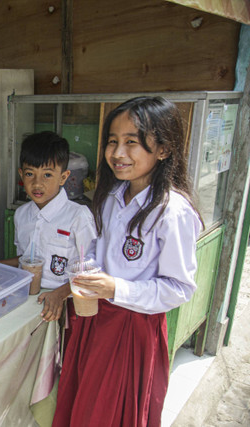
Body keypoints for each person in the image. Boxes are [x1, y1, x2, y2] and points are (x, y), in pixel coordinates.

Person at [52, 97, 203, 427]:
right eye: (112, 142)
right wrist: (88, 269)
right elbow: (96, 249)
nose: (117, 154)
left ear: (162, 149)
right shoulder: (111, 196)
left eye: (131, 143)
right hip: (94, 317)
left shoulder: (171, 211)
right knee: (82, 399)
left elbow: (179, 288)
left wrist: (116, 287)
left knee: (108, 412)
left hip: (132, 329)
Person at [0, 131, 96, 322]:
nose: (37, 183)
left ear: (63, 177)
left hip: (68, 305)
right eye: (29, 174)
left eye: (47, 175)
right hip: (29, 301)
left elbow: (92, 271)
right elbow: (26, 258)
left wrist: (60, 294)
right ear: (21, 174)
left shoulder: (78, 216)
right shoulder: (22, 215)